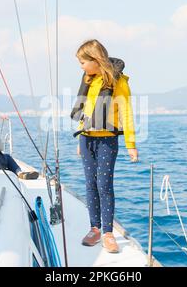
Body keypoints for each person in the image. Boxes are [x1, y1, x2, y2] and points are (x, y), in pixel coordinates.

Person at [71, 39, 139, 253]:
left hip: (107, 139)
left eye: (83, 62)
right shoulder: (88, 80)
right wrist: (81, 135)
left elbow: (126, 113)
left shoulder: (118, 81)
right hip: (87, 138)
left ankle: (108, 233)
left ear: (95, 59)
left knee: (104, 184)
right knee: (90, 184)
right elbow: (86, 109)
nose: (81, 66)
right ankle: (95, 228)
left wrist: (131, 144)